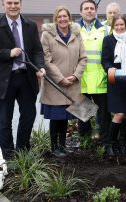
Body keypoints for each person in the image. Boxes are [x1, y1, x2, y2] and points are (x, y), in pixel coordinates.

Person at [0, 0, 45, 160]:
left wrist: (39, 67)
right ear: (3, 5)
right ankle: (9, 158)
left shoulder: (30, 25)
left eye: (16, 2)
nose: (13, 6)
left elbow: (38, 50)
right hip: (5, 81)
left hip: (27, 78)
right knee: (5, 120)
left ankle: (22, 151)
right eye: (9, 3)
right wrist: (7, 53)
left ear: (20, 4)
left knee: (29, 116)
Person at [40, 6, 87, 158]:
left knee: (66, 117)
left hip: (72, 83)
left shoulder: (76, 34)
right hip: (54, 84)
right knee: (56, 117)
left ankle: (62, 146)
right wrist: (60, 78)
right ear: (55, 19)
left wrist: (75, 76)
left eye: (65, 16)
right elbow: (46, 60)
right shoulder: (47, 35)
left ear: (69, 18)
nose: (62, 19)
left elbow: (83, 58)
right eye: (59, 16)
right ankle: (54, 148)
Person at [77, 0, 111, 154]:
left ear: (96, 11)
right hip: (81, 78)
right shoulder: (74, 29)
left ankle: (105, 142)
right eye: (86, 8)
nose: (89, 11)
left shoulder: (105, 29)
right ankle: (85, 142)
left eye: (92, 8)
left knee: (103, 114)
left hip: (100, 78)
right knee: (83, 114)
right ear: (81, 12)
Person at [102, 15, 126, 156]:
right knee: (119, 113)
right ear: (113, 27)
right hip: (115, 81)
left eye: (122, 25)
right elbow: (105, 60)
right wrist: (109, 68)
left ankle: (122, 145)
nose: (120, 27)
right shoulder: (108, 40)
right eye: (117, 25)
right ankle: (109, 144)